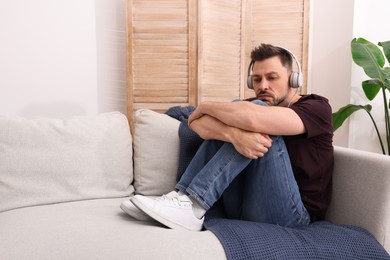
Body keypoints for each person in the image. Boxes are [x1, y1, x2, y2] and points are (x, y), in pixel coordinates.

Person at [121, 43, 334, 231]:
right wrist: (232, 134)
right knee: (236, 116)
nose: (263, 86)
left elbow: (252, 119)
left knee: (250, 113)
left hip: (293, 216)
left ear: (293, 78)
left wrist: (206, 106)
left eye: (272, 77)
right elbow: (195, 122)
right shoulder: (249, 106)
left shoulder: (316, 108)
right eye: (257, 79)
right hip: (243, 205)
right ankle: (183, 198)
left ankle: (194, 205)